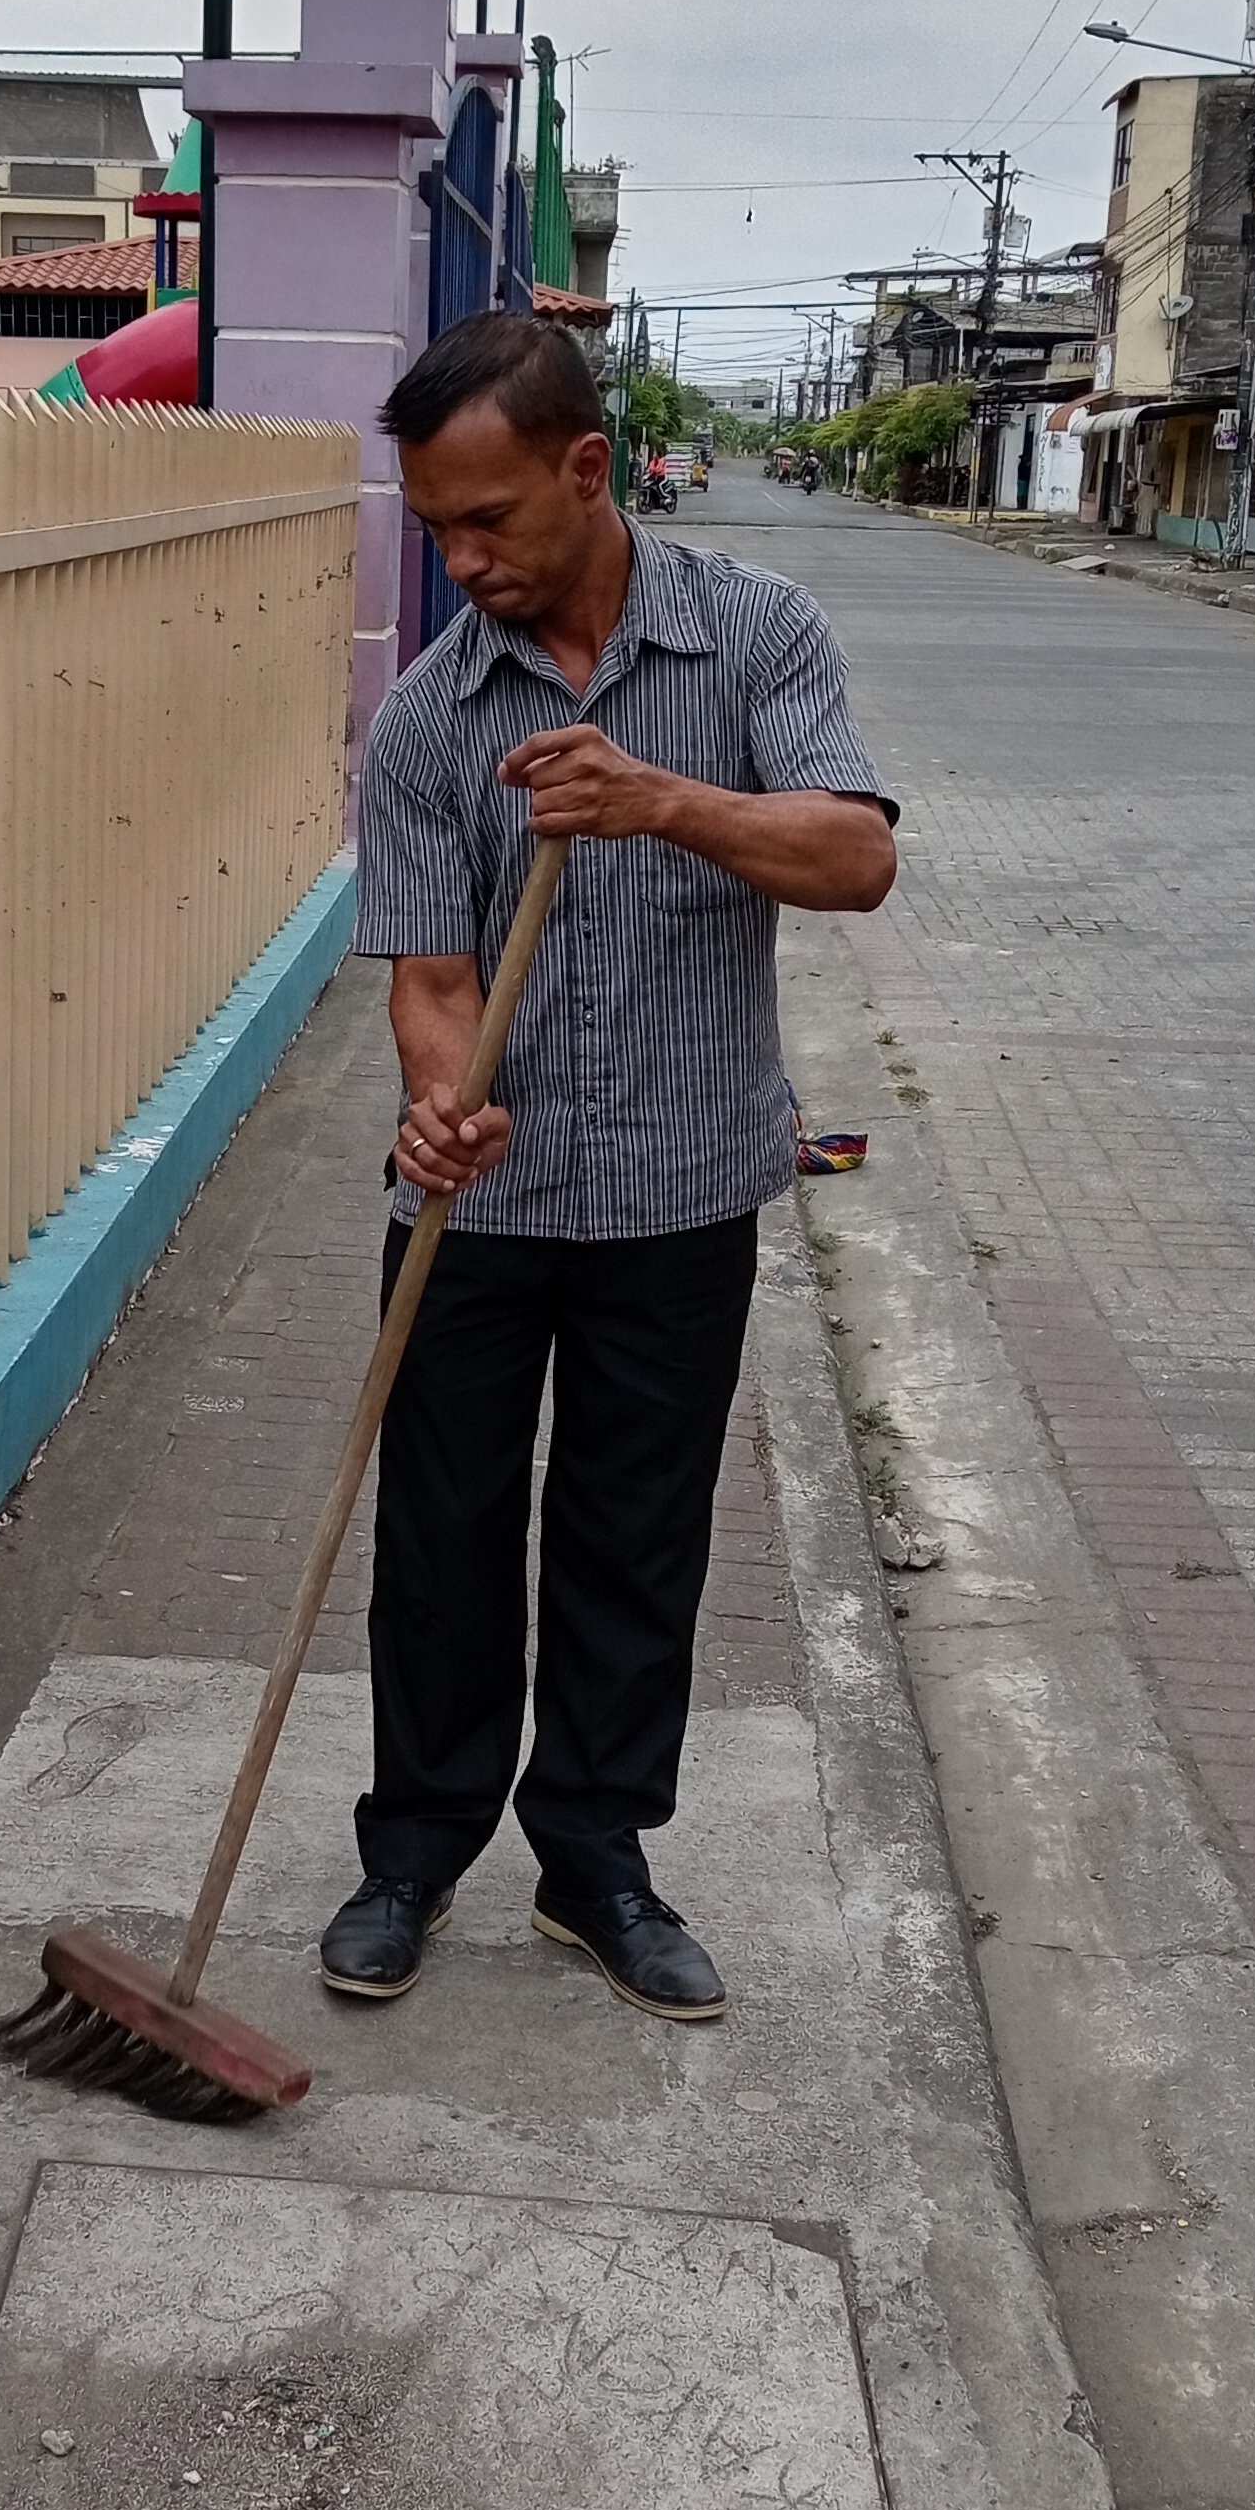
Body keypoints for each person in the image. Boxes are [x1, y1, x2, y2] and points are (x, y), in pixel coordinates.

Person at [320, 309, 898, 2022]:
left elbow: (855, 856)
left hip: (682, 1194)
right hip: (480, 1207)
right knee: (441, 1537)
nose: (462, 560)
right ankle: (415, 1851)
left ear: (588, 468)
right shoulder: (429, 720)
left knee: (634, 1539)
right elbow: (433, 976)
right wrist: (443, 1103)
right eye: (437, 528)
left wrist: (666, 802)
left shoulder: (756, 635)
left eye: (489, 520)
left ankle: (594, 1861)